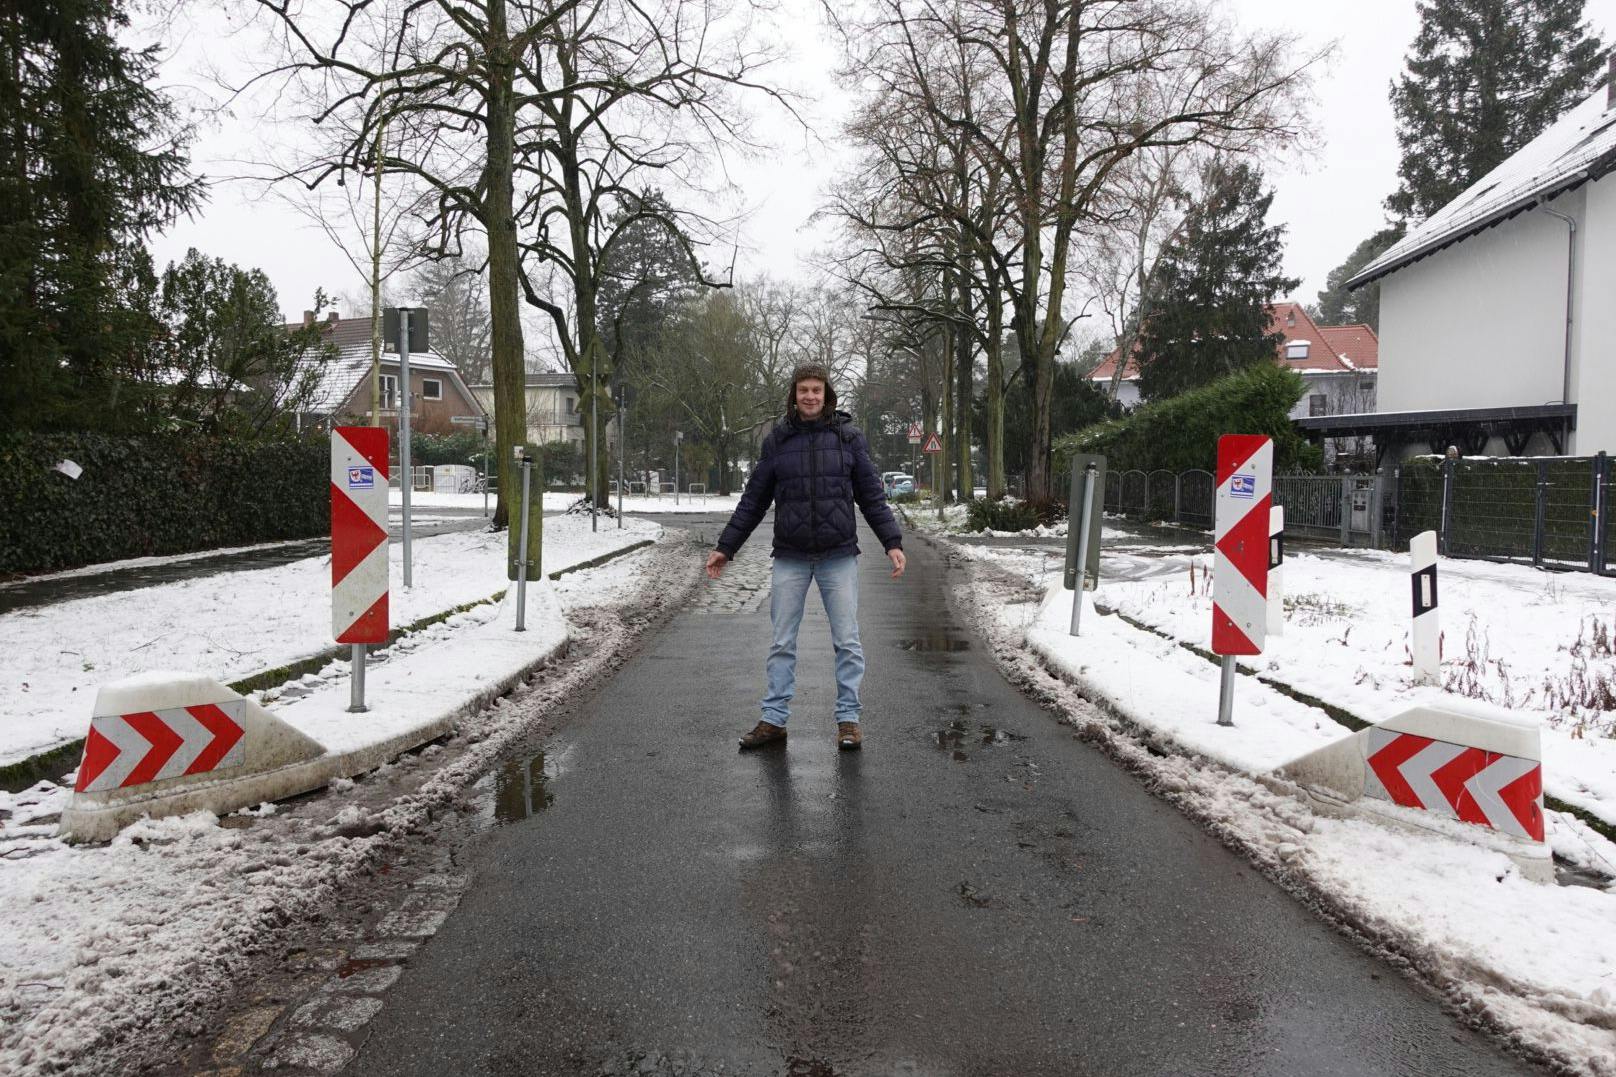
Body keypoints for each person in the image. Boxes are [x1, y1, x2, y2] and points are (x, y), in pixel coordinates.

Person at [705, 363, 906, 751]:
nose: (810, 396)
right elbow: (753, 501)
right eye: (803, 390)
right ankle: (773, 720)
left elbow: (871, 496)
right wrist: (726, 547)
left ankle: (849, 720)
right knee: (782, 642)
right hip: (791, 556)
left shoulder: (849, 438)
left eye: (816, 389)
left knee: (847, 641)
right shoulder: (778, 441)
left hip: (838, 556)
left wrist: (892, 542)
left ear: (826, 394)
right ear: (794, 396)